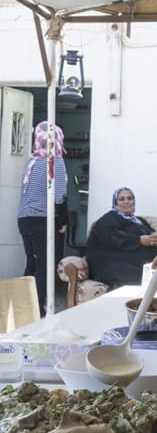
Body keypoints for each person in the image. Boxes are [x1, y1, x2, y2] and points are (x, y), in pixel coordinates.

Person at [17, 121, 68, 316]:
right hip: (42, 220)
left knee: (32, 263)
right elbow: (60, 196)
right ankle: (37, 309)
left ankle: (22, 307)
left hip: (24, 218)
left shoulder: (30, 162)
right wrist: (62, 222)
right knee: (45, 267)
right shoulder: (56, 161)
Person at [86, 187, 157, 289]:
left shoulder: (138, 221)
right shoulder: (108, 219)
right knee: (137, 276)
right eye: (121, 199)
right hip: (112, 264)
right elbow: (112, 238)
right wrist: (139, 240)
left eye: (130, 198)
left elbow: (152, 234)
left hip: (136, 263)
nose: (126, 202)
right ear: (115, 203)